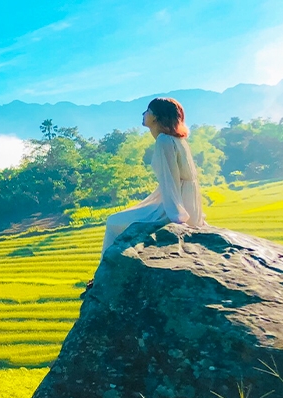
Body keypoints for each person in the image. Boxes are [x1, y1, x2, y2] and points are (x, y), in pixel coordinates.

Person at [86, 97, 206, 290]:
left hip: (175, 202)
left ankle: (103, 276)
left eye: (147, 110)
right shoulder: (177, 140)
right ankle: (104, 274)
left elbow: (170, 181)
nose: (143, 114)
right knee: (118, 220)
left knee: (113, 222)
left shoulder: (165, 141)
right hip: (184, 199)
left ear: (156, 117)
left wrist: (177, 216)